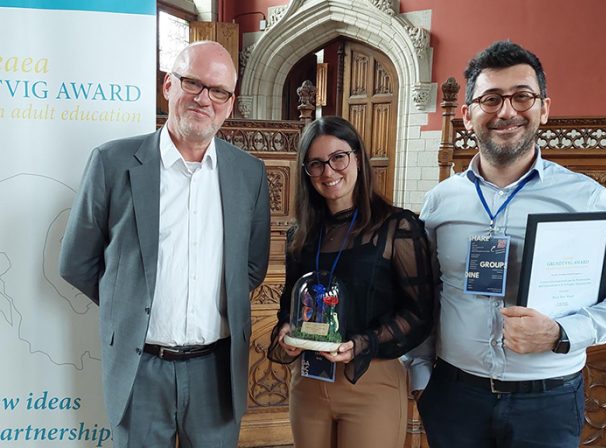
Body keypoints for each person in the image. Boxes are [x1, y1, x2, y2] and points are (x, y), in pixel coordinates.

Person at [410, 41, 606, 448]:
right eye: (490, 99)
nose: (506, 111)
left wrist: (562, 332)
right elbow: (422, 294)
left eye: (522, 96)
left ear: (544, 108)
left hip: (547, 400)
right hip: (454, 395)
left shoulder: (586, 199)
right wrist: (421, 374)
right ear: (467, 115)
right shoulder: (442, 200)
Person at [59, 41, 270, 447]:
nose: (203, 98)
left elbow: (251, 266)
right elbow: (77, 263)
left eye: (218, 90)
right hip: (140, 370)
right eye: (192, 82)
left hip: (216, 372)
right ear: (169, 85)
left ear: (229, 104)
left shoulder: (249, 173)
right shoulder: (112, 163)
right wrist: (131, 307)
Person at [267, 116, 435, 448]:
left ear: (357, 157)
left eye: (338, 158)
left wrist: (361, 343)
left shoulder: (397, 227)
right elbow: (289, 305)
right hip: (309, 381)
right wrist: (286, 330)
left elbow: (419, 315)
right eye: (315, 164)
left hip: (370, 379)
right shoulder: (299, 235)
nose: (328, 172)